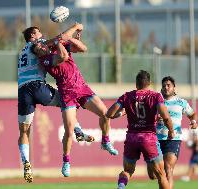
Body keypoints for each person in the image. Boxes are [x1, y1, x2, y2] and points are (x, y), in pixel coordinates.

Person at [31, 26, 118, 177]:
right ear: (38, 53)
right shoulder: (44, 60)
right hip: (67, 94)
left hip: (82, 88)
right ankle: (66, 161)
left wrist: (71, 38)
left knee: (106, 114)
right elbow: (63, 56)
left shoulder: (59, 44)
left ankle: (105, 141)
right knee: (69, 131)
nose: (41, 48)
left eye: (41, 45)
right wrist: (59, 41)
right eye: (38, 48)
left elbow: (83, 48)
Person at [18, 23, 94, 183]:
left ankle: (26, 162)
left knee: (24, 132)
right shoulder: (35, 45)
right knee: (67, 102)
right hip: (37, 86)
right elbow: (58, 39)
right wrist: (74, 28)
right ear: (32, 36)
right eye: (38, 33)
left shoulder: (22, 52)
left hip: (22, 91)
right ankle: (78, 131)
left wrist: (71, 39)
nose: (41, 35)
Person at [105, 70, 175, 189]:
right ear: (149, 83)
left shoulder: (127, 96)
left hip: (132, 138)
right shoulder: (155, 96)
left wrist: (120, 113)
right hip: (149, 138)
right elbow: (166, 117)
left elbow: (109, 113)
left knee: (127, 171)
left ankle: (121, 186)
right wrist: (171, 131)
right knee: (161, 174)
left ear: (136, 83)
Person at [147, 76, 197, 189]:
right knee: (153, 174)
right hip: (156, 139)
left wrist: (193, 121)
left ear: (174, 88)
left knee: (168, 169)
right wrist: (155, 118)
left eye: (168, 85)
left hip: (173, 139)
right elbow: (147, 117)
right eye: (164, 85)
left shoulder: (181, 102)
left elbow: (192, 114)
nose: (166, 87)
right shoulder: (156, 102)